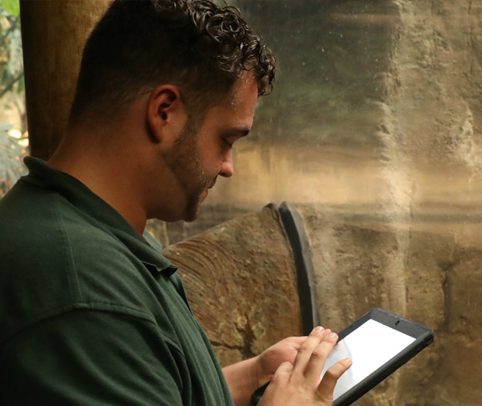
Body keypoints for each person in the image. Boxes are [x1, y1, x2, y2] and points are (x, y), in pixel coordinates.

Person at [0, 0, 351, 404]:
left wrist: (255, 374)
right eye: (225, 140)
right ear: (164, 112)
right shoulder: (82, 291)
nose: (227, 167)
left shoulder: (101, 235)